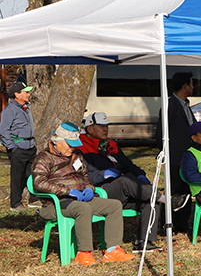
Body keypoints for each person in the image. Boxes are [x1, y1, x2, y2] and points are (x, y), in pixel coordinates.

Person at [32, 123, 134, 265]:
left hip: (81, 199)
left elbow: (86, 177)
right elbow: (39, 183)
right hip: (57, 203)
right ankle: (84, 253)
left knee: (114, 206)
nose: (72, 148)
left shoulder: (76, 156)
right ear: (57, 142)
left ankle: (112, 250)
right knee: (83, 209)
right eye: (69, 144)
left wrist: (89, 188)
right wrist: (68, 191)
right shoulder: (44, 158)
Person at [79, 111, 166, 252]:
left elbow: (128, 165)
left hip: (122, 191)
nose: (105, 129)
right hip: (101, 192)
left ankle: (144, 242)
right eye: (101, 126)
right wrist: (103, 174)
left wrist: (140, 175)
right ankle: (165, 199)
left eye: (107, 126)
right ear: (90, 128)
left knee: (150, 200)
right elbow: (81, 176)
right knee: (125, 181)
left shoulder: (110, 145)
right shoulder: (81, 148)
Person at [157, 71, 195, 214]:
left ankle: (182, 223)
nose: (193, 87)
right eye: (191, 84)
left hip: (188, 156)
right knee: (173, 190)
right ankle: (168, 222)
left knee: (186, 189)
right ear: (185, 86)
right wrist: (167, 153)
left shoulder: (186, 105)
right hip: (174, 157)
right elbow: (160, 132)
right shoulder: (170, 106)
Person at [1, 80, 37, 210]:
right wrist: (12, 147)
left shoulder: (27, 107)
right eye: (25, 92)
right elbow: (4, 130)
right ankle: (15, 204)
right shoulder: (10, 110)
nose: (28, 94)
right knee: (17, 177)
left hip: (30, 147)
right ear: (17, 94)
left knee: (33, 174)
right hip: (18, 149)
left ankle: (34, 200)